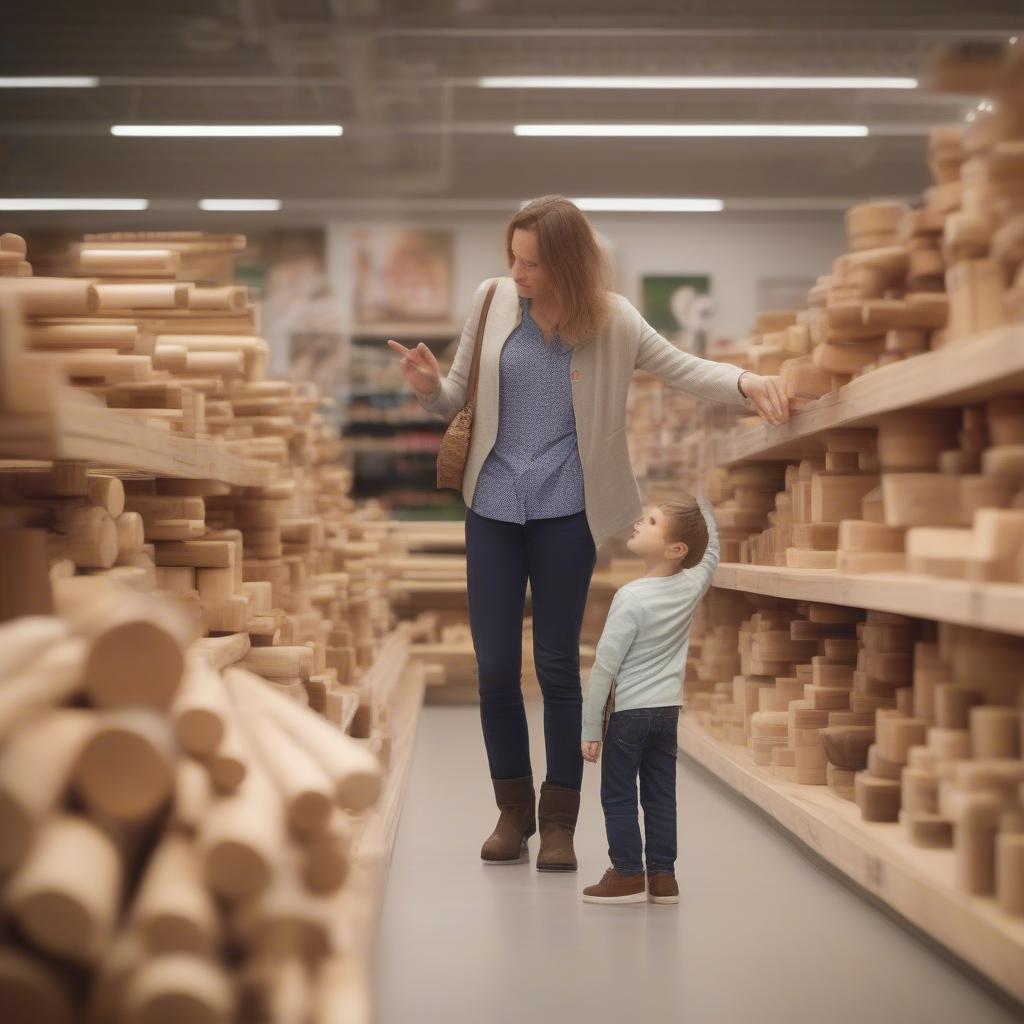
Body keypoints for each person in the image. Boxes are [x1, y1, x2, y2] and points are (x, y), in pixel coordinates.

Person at [386, 196, 789, 873]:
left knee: (556, 667)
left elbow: (686, 368)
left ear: (568, 268)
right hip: (491, 503)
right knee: (492, 669)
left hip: (566, 509)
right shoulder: (490, 302)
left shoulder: (614, 322)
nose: (516, 272)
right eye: (512, 258)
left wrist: (750, 381)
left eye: (531, 264)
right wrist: (428, 388)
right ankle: (511, 813)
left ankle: (560, 816)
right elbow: (456, 397)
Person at [580, 496, 720, 905]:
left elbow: (604, 669)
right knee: (660, 794)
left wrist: (591, 728)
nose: (640, 521)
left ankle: (626, 874)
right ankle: (663, 877)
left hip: (629, 716)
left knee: (618, 794)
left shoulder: (632, 597)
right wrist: (704, 507)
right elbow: (711, 553)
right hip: (666, 713)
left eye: (653, 520)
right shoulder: (691, 585)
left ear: (676, 549)